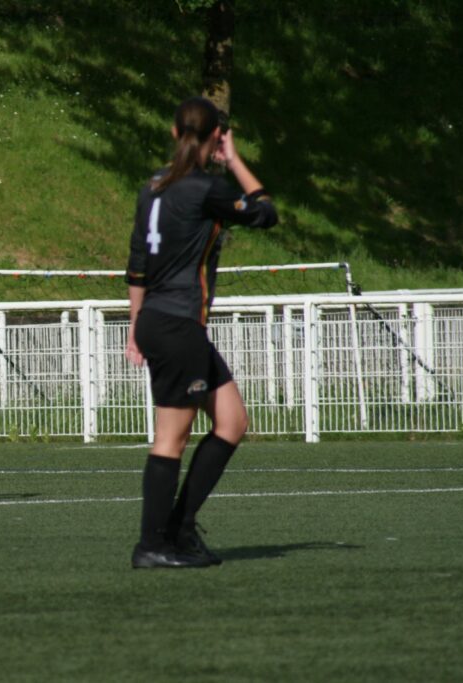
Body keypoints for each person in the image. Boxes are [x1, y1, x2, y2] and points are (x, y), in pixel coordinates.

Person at [125, 97, 278, 569]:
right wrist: (233, 160)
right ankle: (152, 545)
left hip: (160, 320)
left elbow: (136, 266)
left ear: (173, 133)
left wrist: (135, 328)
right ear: (215, 138)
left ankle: (180, 528)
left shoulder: (152, 186)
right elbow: (265, 211)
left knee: (231, 422)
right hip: (177, 324)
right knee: (171, 438)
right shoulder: (205, 188)